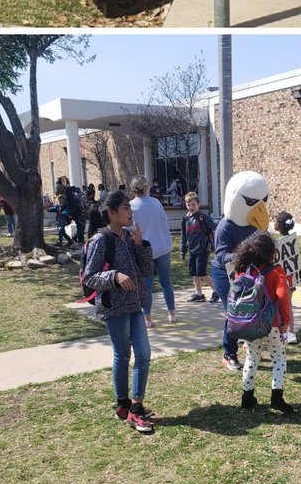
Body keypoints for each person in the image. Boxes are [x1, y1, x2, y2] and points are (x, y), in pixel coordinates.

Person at [81, 190, 155, 433]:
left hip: (135, 305)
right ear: (112, 213)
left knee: (143, 355)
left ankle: (135, 406)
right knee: (122, 356)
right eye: (125, 208)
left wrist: (140, 244)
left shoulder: (126, 236)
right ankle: (125, 407)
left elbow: (146, 270)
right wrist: (115, 276)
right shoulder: (100, 240)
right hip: (115, 308)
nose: (130, 212)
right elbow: (90, 277)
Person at [212, 171, 272, 373]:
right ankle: (229, 354)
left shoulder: (257, 221)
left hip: (250, 273)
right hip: (225, 274)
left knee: (253, 307)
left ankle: (248, 340)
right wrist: (246, 255)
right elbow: (221, 256)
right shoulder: (225, 227)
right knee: (234, 312)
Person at [229, 232, 295, 413]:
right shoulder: (276, 271)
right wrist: (286, 321)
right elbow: (282, 296)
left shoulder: (242, 271)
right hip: (272, 324)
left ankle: (247, 397)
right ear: (271, 253)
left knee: (252, 358)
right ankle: (277, 397)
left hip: (250, 323)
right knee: (279, 358)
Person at [129, 174, 176, 327]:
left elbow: (129, 228)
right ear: (147, 187)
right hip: (162, 246)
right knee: (166, 283)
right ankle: (172, 314)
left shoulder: (131, 206)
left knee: (147, 285)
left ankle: (147, 319)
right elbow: (164, 221)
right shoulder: (156, 202)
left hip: (145, 249)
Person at [180, 192, 216, 301]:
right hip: (192, 249)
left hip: (203, 249)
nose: (191, 207)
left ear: (198, 205)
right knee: (194, 272)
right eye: (189, 204)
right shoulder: (185, 219)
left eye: (193, 204)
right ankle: (199, 294)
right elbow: (184, 236)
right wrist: (182, 251)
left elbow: (215, 227)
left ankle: (216, 291)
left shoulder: (203, 217)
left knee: (201, 272)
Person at [271, 212, 299, 344]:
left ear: (278, 225)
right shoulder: (290, 243)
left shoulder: (281, 244)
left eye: (275, 220)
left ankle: (290, 332)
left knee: (286, 306)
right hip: (288, 280)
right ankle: (286, 331)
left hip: (285, 281)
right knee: (287, 305)